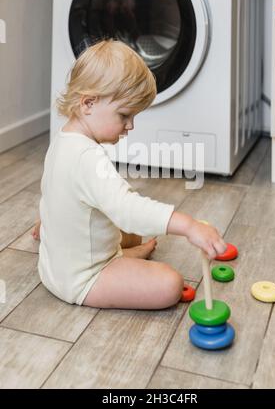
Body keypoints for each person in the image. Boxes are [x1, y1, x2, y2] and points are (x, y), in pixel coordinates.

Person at [33, 39, 226, 310]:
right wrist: (188, 225)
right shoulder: (88, 158)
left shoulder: (63, 139)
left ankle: (125, 253)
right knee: (169, 283)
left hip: (53, 264)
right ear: (88, 103)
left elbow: (55, 191)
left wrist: (49, 221)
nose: (130, 125)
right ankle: (122, 259)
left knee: (131, 235)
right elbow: (129, 209)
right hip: (82, 278)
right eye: (124, 115)